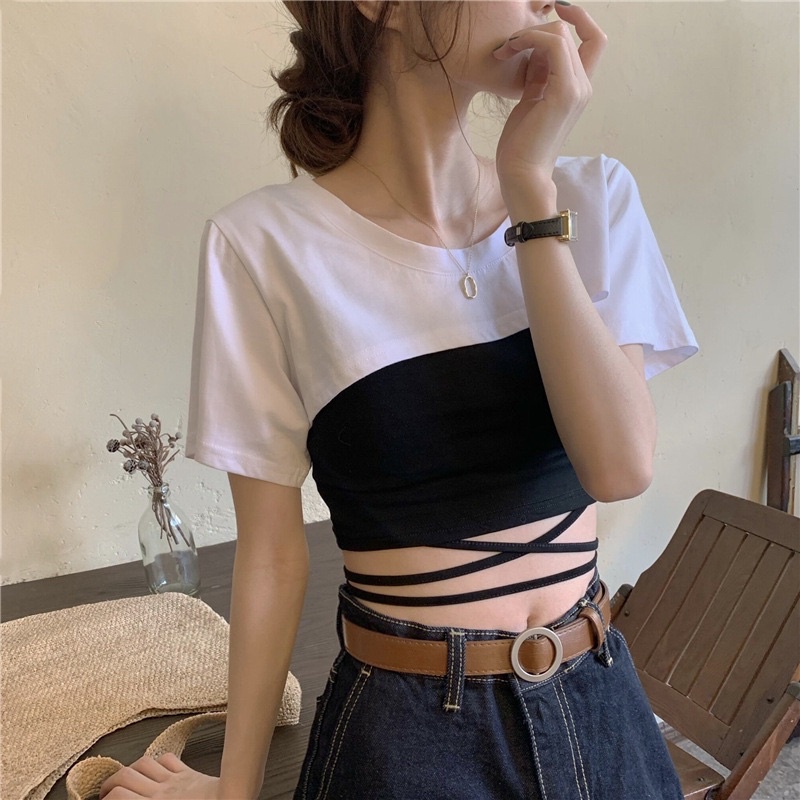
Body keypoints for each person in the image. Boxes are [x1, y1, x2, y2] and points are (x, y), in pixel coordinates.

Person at [100, 2, 698, 798]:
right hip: (412, 734)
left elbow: (620, 467)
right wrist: (235, 791)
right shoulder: (265, 247)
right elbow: (271, 556)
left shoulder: (589, 195)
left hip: (600, 707)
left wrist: (529, 191)